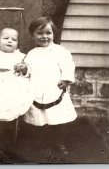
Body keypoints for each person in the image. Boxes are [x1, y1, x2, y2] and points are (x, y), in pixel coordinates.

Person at [15, 16, 77, 154]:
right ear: (33, 35)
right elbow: (28, 70)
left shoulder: (60, 51)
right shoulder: (31, 54)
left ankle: (58, 141)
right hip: (37, 89)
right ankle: (41, 142)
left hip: (54, 89)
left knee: (58, 118)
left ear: (54, 34)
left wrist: (66, 79)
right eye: (40, 33)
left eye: (48, 33)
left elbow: (68, 66)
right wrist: (24, 69)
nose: (44, 37)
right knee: (39, 117)